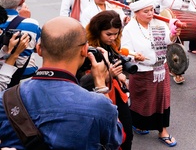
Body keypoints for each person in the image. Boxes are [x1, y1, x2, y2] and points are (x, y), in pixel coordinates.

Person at [0, 16, 123, 149]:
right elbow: (117, 138)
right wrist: (100, 84)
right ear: (84, 50)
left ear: (39, 49)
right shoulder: (99, 105)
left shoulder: (6, 99)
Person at [121, 0, 179, 147]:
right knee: (143, 101)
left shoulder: (159, 23)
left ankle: (163, 130)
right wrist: (135, 57)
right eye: (146, 11)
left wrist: (173, 35)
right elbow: (125, 51)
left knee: (162, 99)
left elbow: (167, 40)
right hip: (142, 72)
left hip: (161, 68)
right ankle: (140, 124)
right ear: (136, 12)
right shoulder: (129, 29)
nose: (150, 13)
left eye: (152, 10)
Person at [86, 10, 133, 149]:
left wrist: (118, 74)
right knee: (106, 137)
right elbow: (81, 80)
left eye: (116, 33)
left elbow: (115, 61)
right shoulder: (88, 48)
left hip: (117, 92)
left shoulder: (112, 45)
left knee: (127, 133)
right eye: (109, 34)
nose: (113, 37)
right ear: (97, 30)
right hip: (97, 96)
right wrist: (108, 76)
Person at [152, 0, 196, 84]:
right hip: (167, 20)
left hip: (181, 19)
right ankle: (175, 70)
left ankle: (176, 68)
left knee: (179, 44)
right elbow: (154, 2)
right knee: (170, 43)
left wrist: (195, 13)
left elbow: (190, 5)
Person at [0, 0, 41, 90]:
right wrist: (23, 20)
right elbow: (37, 48)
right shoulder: (32, 24)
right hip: (24, 76)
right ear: (22, 1)